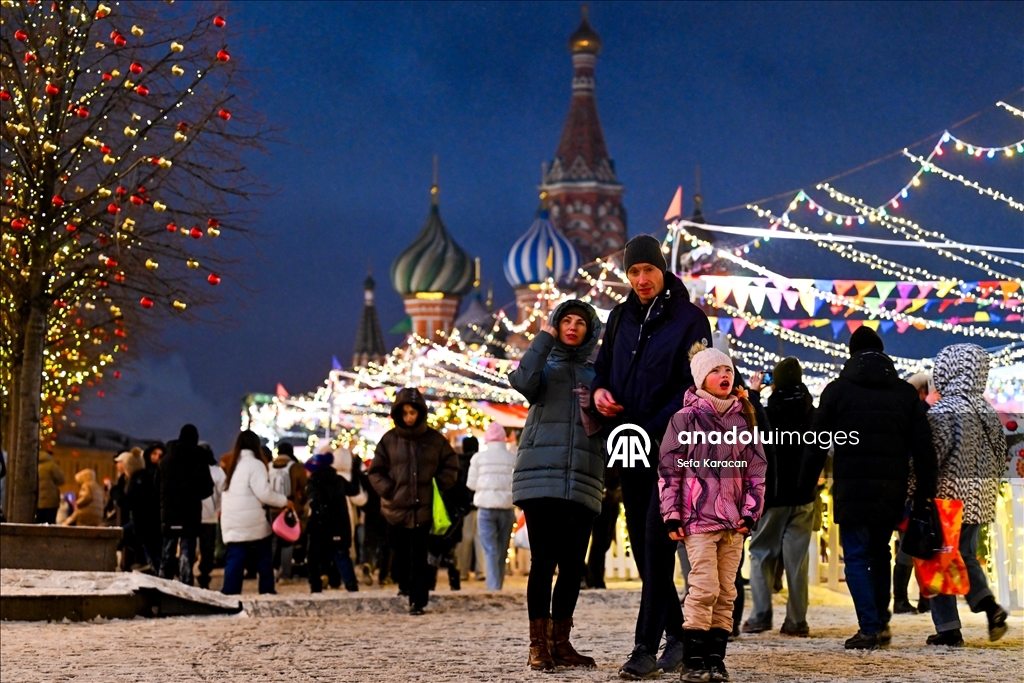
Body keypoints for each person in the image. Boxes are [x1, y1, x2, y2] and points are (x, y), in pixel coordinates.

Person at [590, 235, 713, 678]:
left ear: (662, 270)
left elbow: (692, 384)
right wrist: (602, 391)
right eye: (633, 272)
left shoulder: (689, 319)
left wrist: (653, 424)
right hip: (628, 444)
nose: (641, 279)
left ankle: (644, 646)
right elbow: (602, 368)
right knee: (645, 549)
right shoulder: (620, 316)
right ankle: (678, 636)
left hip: (671, 446)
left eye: (648, 270)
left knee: (657, 540)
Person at [802, 326, 937, 649]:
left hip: (852, 489)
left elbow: (816, 443)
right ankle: (879, 622)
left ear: (852, 354)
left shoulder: (837, 391)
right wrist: (924, 496)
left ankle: (869, 627)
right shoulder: (905, 394)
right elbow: (924, 450)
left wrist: (805, 486)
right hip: (892, 490)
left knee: (858, 557)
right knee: (880, 554)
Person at [658, 344, 767, 682]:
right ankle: (693, 659)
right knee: (704, 588)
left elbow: (757, 471)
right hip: (698, 519)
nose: (724, 375)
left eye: (728, 371)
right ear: (702, 378)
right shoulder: (684, 418)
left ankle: (715, 658)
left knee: (727, 591)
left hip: (734, 523)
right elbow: (669, 469)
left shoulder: (743, 417)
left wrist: (750, 513)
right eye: (717, 371)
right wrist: (672, 514)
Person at [509, 300, 605, 671]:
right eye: (566, 320)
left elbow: (612, 421)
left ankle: (560, 643)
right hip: (541, 477)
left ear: (589, 330)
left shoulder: (597, 375)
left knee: (572, 566)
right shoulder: (543, 369)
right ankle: (538, 646)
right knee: (543, 562)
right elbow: (521, 380)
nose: (572, 326)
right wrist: (544, 337)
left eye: (581, 322)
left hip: (582, 476)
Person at [924, 344, 1009, 646]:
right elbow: (1001, 454)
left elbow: (931, 455)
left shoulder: (944, 410)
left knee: (939, 556)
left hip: (948, 496)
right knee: (965, 554)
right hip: (980, 498)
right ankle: (985, 608)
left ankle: (952, 626)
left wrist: (913, 487)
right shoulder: (986, 410)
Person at [368, 387, 459, 615]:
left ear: (420, 412)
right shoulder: (389, 440)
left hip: (425, 507)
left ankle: (418, 600)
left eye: (413, 412)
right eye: (405, 412)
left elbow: (451, 465)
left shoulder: (434, 440)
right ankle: (405, 589)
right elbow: (375, 471)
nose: (409, 417)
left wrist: (438, 483)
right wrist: (389, 491)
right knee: (401, 554)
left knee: (420, 556)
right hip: (396, 509)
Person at [743, 357, 816, 637]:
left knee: (762, 555)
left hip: (773, 496)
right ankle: (797, 621)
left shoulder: (769, 412)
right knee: (796, 563)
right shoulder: (812, 412)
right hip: (804, 497)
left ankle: (761, 615)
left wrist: (754, 392)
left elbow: (750, 431)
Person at [220, 430, 291, 595]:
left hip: (231, 518)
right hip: (251, 519)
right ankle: (266, 589)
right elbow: (264, 493)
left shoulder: (232, 464)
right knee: (264, 554)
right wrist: (284, 501)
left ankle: (230, 591)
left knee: (235, 557)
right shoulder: (255, 464)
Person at [894, 372, 935, 614]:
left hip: (907, 490)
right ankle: (906, 599)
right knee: (911, 546)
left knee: (912, 545)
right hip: (913, 491)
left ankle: (915, 598)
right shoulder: (918, 412)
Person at [157, 425, 215, 585]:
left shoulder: (166, 459)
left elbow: (157, 485)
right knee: (187, 549)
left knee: (167, 549)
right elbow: (207, 489)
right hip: (190, 511)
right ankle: (186, 583)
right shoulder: (198, 457)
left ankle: (164, 584)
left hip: (169, 511)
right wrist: (193, 494)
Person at [466, 421, 516, 591]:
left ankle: (493, 588)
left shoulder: (478, 458)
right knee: (502, 550)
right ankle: (498, 586)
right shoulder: (512, 458)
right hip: (507, 509)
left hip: (485, 509)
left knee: (489, 549)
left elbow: (471, 484)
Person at [305, 451, 362, 592]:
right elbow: (354, 491)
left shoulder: (313, 481)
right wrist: (355, 471)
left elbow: (314, 499)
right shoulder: (338, 480)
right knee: (341, 554)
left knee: (314, 556)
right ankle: (351, 584)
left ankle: (316, 585)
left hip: (320, 523)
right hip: (339, 523)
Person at [268, 442, 308, 582]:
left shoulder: (269, 466)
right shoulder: (295, 467)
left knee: (272, 541)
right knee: (287, 541)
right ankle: (285, 573)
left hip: (272, 508)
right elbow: (304, 488)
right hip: (289, 508)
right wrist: (300, 504)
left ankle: (270, 571)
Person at [586, 466, 622, 590]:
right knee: (600, 539)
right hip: (599, 493)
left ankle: (594, 577)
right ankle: (593, 577)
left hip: (611, 494)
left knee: (604, 540)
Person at [458, 436, 487, 584]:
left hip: (465, 507)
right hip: (480, 504)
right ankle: (480, 571)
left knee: (465, 539)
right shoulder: (482, 461)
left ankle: (462, 571)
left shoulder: (460, 462)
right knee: (480, 539)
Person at [197, 442, 226, 590]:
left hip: (197, 516)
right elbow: (223, 494)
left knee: (195, 548)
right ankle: (204, 574)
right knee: (207, 549)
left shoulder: (189, 470)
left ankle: (195, 574)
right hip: (209, 515)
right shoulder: (218, 472)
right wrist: (219, 509)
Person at [36, 448, 65, 524]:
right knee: (50, 522)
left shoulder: (35, 465)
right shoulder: (52, 465)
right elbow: (61, 480)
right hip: (51, 500)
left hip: (38, 500)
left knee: (39, 522)